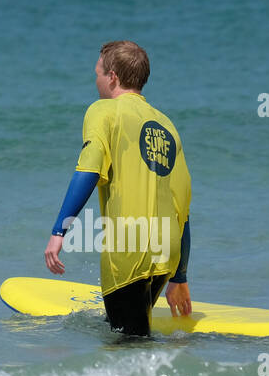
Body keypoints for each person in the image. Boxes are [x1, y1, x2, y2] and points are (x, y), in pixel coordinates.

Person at [44, 41, 192, 337]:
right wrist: (179, 276)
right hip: (166, 250)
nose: (95, 80)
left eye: (97, 73)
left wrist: (59, 231)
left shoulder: (104, 111)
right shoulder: (166, 125)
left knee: (128, 345)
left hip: (128, 248)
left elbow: (88, 170)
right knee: (131, 330)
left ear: (112, 76)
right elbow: (182, 206)